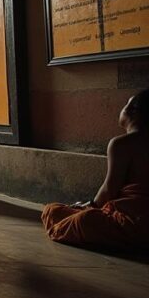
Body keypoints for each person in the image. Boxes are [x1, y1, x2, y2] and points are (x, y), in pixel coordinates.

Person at [41, 90, 149, 251]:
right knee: (57, 211)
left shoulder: (121, 144)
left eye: (125, 104)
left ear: (132, 111)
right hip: (132, 219)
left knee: (78, 218)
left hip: (132, 223)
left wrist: (89, 207)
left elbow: (109, 189)